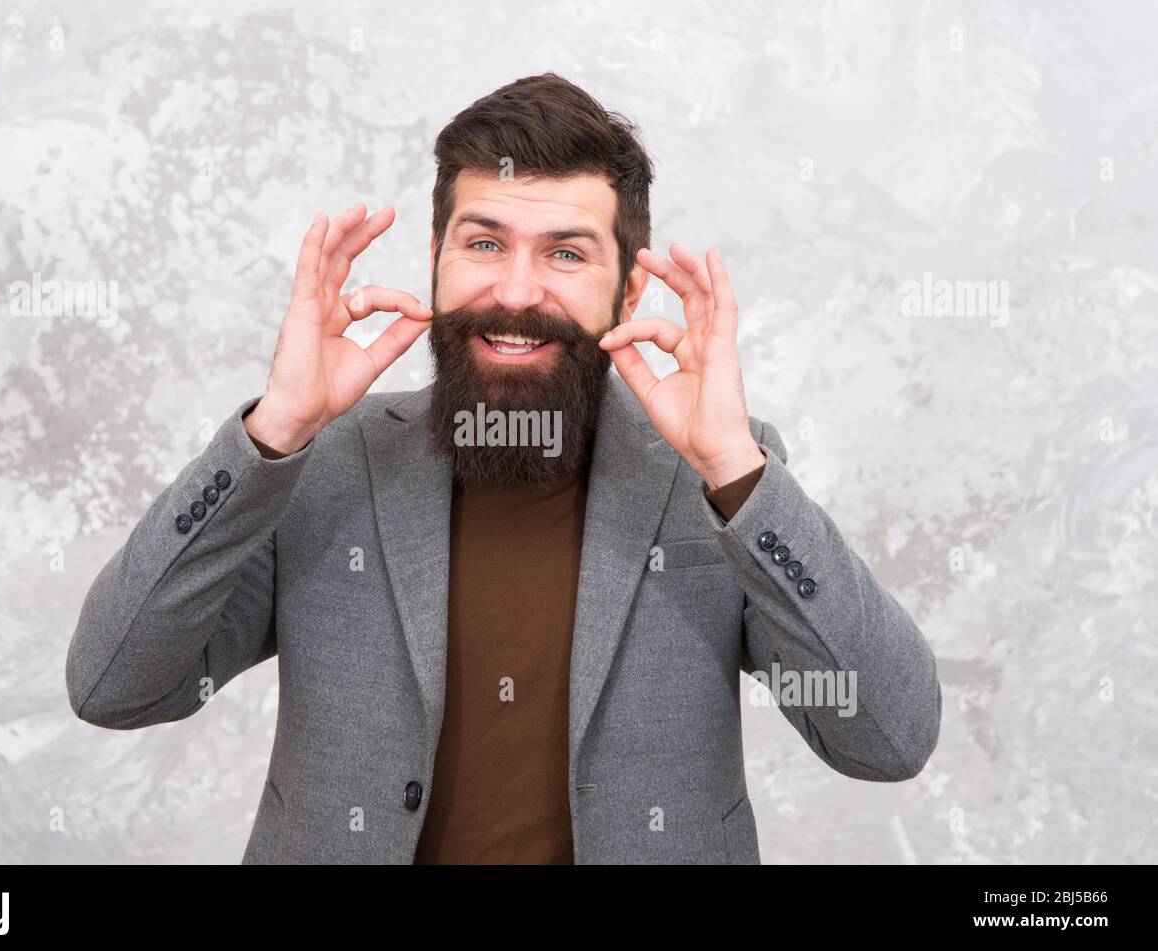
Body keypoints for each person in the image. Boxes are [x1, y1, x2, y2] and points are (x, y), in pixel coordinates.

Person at [66, 73, 941, 864]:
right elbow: (114, 685)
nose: (518, 292)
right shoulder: (323, 460)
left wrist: (733, 470)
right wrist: (274, 432)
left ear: (628, 293)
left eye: (566, 253)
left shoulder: (715, 478)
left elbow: (888, 738)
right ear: (437, 261)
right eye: (484, 243)